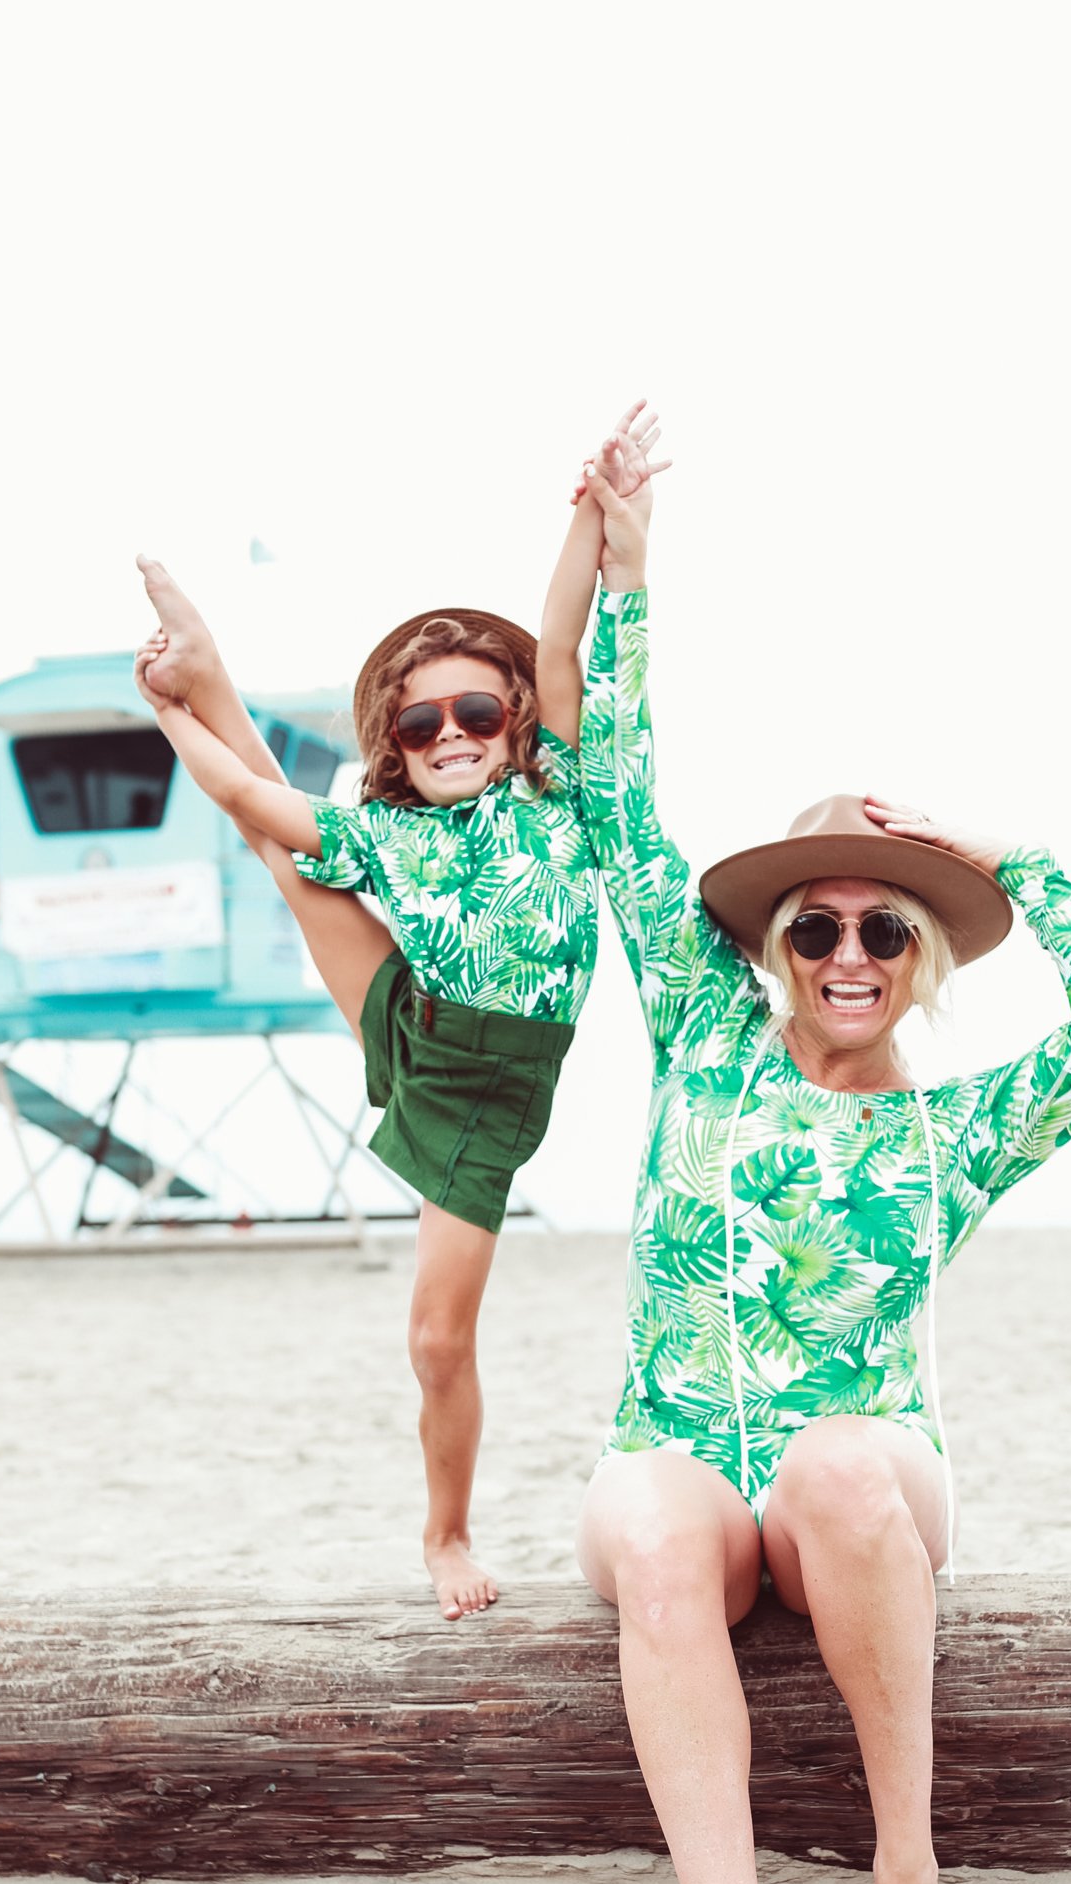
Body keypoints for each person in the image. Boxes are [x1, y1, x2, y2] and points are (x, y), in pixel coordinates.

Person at [573, 467, 1071, 1884]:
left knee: (833, 1461)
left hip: (870, 1462)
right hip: (670, 1443)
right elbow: (617, 800)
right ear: (771, 948)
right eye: (813, 922)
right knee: (671, 1539)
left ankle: (908, 1881)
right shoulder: (699, 1036)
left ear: (920, 956)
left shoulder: (956, 1125)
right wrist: (629, 575)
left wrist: (998, 856)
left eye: (882, 927)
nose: (845, 946)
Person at [130, 407, 668, 1620]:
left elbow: (562, 644)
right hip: (416, 1018)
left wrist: (595, 510)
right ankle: (208, 670)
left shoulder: (557, 795)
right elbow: (243, 797)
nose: (452, 737)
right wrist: (172, 715)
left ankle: (448, 1531)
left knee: (435, 1341)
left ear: (513, 722)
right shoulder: (388, 832)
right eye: (423, 724)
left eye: (476, 713)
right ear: (398, 744)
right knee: (286, 852)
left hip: (490, 1082)